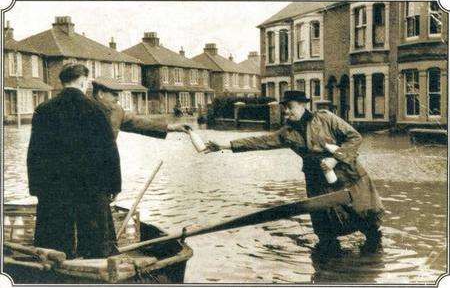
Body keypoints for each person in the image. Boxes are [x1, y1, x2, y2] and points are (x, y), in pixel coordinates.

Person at [205, 90, 384, 256]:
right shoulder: (287, 132)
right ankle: (329, 269)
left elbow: (355, 137)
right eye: (285, 108)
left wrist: (335, 158)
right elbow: (260, 141)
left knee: (363, 217)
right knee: (324, 227)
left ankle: (372, 256)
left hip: (346, 174)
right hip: (316, 180)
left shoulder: (325, 118)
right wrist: (223, 146)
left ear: (302, 105)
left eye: (290, 107)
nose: (286, 112)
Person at [27, 64, 122, 259]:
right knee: (95, 240)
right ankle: (94, 265)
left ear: (63, 82)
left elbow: (34, 154)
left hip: (54, 185)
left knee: (54, 239)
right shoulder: (96, 110)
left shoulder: (44, 110)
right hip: (91, 185)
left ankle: (55, 269)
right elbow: (109, 152)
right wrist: (114, 186)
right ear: (82, 81)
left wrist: (36, 187)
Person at [90, 77, 190, 144]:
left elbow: (138, 123)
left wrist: (170, 127)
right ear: (101, 93)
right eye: (114, 94)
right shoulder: (83, 110)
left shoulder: (117, 111)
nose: (118, 98)